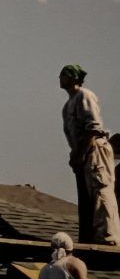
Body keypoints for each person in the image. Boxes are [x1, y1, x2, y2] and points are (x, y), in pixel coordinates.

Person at [60, 64, 120, 245]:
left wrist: (82, 153)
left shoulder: (84, 95)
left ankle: (107, 237)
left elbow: (93, 128)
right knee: (86, 197)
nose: (60, 78)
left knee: (100, 191)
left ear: (73, 77)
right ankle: (88, 237)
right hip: (82, 152)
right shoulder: (67, 105)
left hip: (94, 149)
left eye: (64, 75)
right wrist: (75, 155)